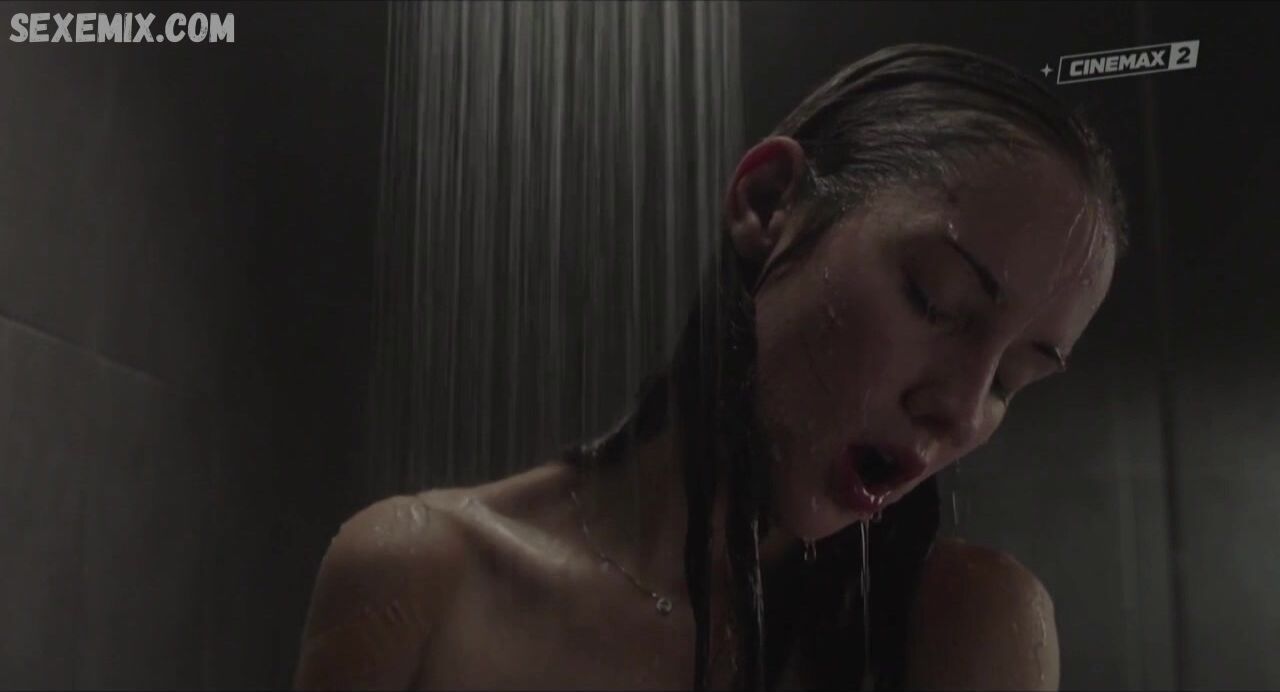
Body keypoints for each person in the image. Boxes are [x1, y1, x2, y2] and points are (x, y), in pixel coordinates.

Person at [293, 43, 1127, 691]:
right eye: (933, 299)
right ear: (767, 204)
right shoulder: (426, 578)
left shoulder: (966, 627)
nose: (963, 409)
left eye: (1012, 380)